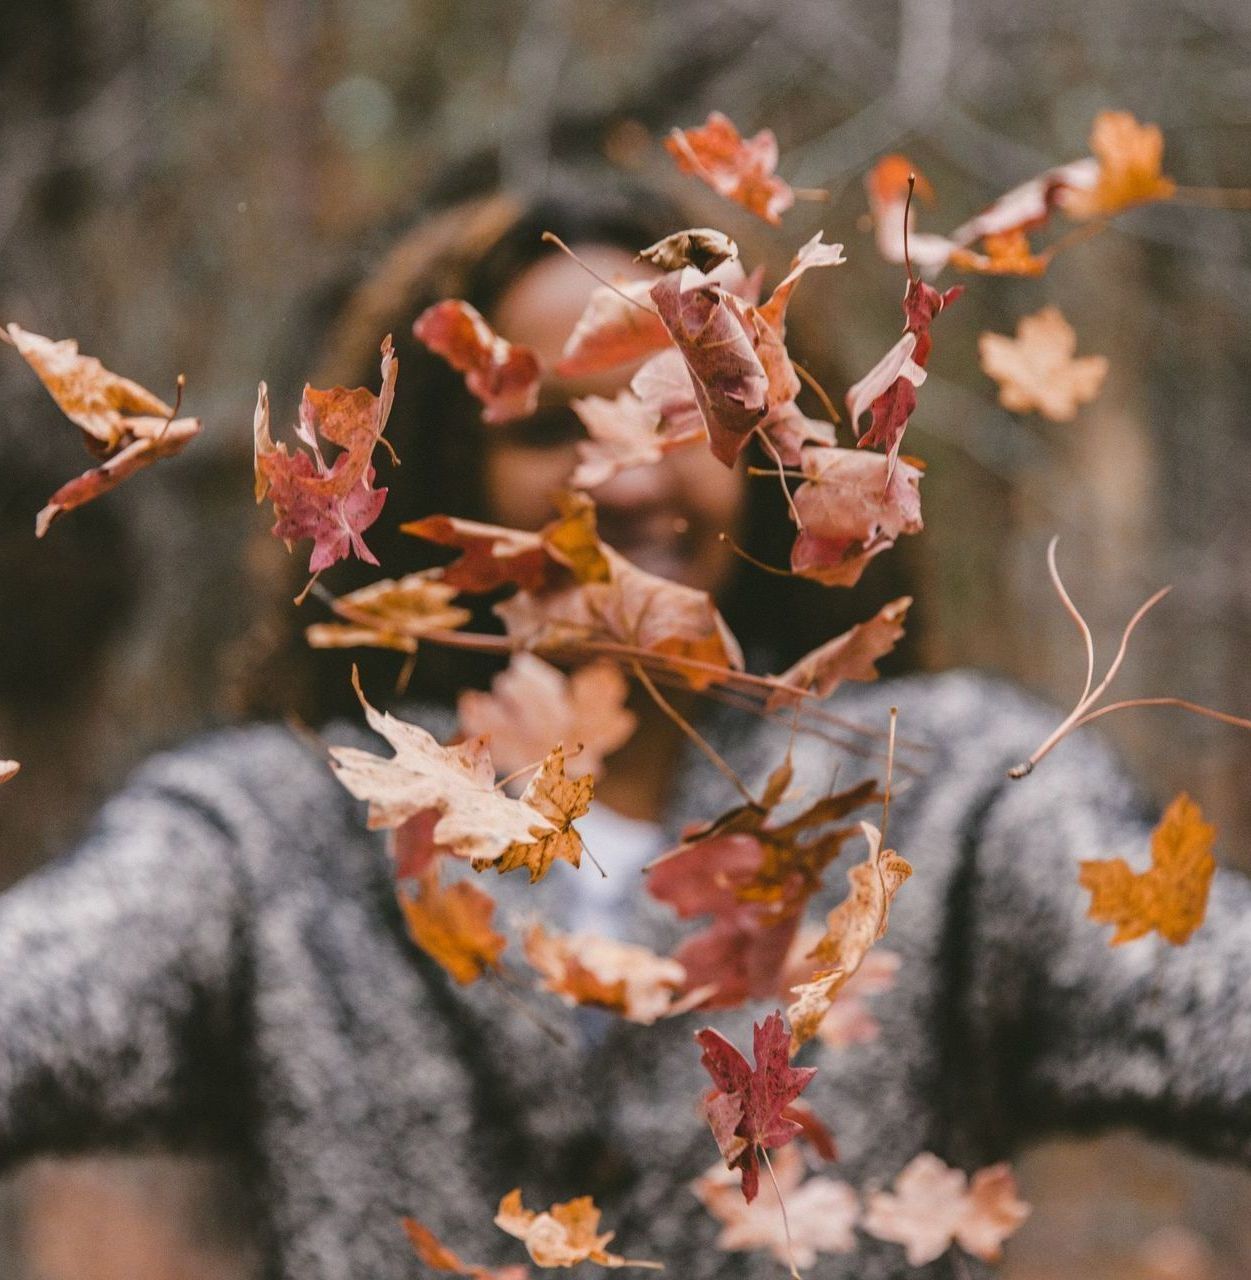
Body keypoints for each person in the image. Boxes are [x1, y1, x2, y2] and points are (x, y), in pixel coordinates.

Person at [2, 163, 1251, 1280]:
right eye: (548, 427)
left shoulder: (946, 796)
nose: (629, 476)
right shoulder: (274, 841)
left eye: (678, 414)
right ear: (451, 469)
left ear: (769, 445)